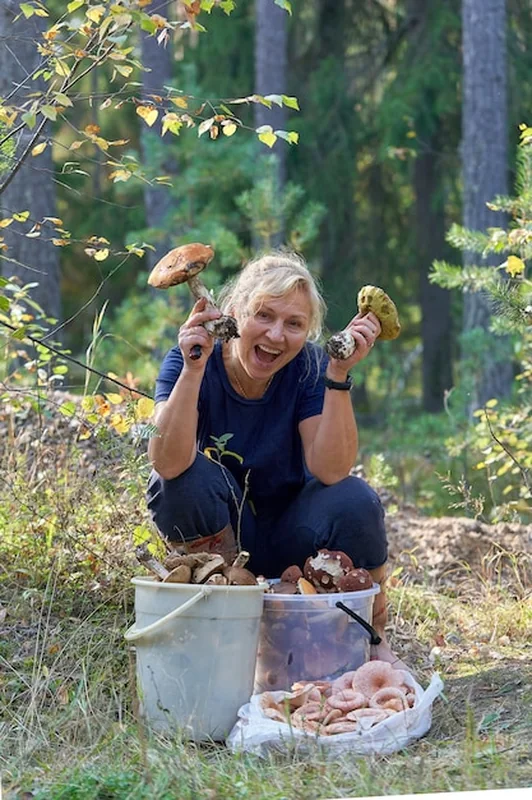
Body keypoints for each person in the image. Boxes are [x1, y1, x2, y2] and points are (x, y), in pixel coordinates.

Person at [147, 251, 404, 668]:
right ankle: (221, 622)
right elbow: (166, 463)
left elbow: (331, 470)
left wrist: (337, 375)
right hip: (221, 540)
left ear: (308, 333)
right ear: (233, 313)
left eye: (294, 324)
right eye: (263, 315)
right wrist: (193, 372)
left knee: (355, 499)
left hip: (294, 539)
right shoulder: (190, 357)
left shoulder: (308, 368)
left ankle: (368, 639)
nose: (276, 335)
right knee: (179, 481)